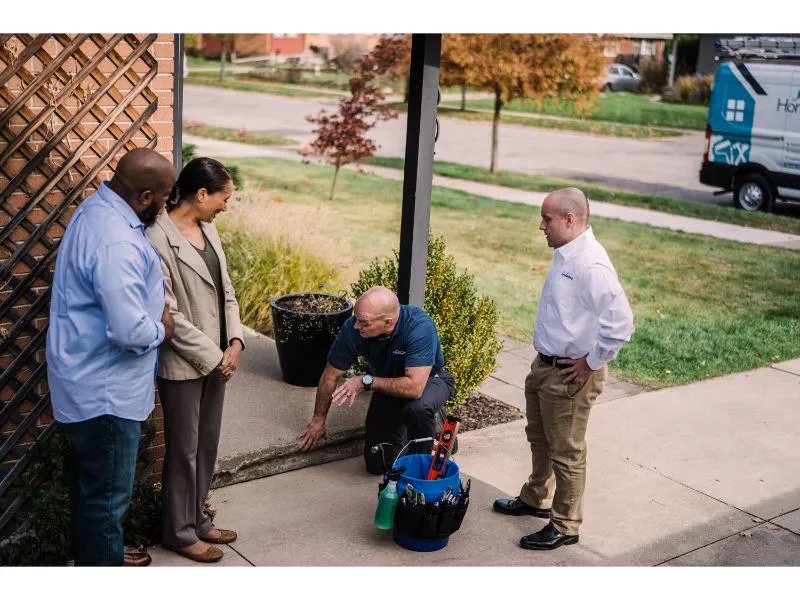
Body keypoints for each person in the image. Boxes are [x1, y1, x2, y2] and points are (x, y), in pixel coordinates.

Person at [46, 148, 176, 566]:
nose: (167, 204)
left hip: (91, 382)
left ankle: (106, 552)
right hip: (106, 393)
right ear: (143, 196)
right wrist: (162, 327)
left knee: (94, 494)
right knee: (106, 501)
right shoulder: (115, 240)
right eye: (164, 196)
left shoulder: (100, 210)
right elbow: (127, 330)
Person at [493, 187, 634, 551]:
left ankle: (566, 525)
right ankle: (536, 497)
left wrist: (590, 362)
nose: (541, 226)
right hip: (545, 366)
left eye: (547, 219)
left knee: (567, 451)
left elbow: (620, 324)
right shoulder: (566, 251)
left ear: (570, 220)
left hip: (570, 375)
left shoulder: (591, 264)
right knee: (539, 438)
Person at [146, 157, 244, 563]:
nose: (226, 206)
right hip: (186, 363)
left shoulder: (210, 228)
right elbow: (167, 311)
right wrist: (214, 356)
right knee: (183, 450)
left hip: (221, 358)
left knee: (207, 444)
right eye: (224, 198)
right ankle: (180, 532)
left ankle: (199, 519)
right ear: (200, 194)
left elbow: (227, 290)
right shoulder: (155, 239)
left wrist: (236, 341)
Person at [298, 286, 455, 474]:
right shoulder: (353, 328)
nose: (357, 326)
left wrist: (366, 382)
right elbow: (331, 374)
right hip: (388, 386)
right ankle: (412, 425)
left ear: (388, 322)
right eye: (357, 319)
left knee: (418, 408)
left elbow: (414, 388)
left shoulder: (419, 327)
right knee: (378, 463)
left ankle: (422, 467)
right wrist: (318, 420)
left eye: (364, 323)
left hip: (429, 382)